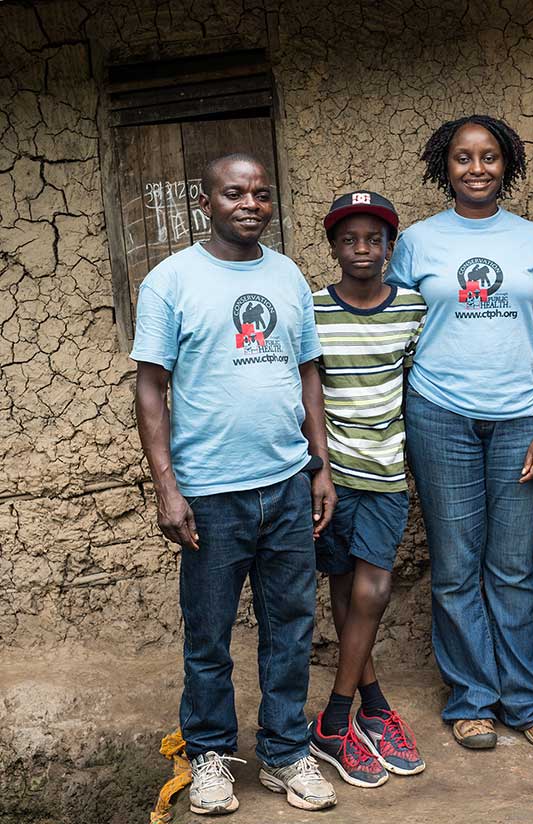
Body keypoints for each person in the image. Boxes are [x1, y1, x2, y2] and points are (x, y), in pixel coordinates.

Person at [131, 153, 337, 814]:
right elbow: (150, 387)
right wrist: (168, 487)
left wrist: (320, 465)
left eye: (260, 193)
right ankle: (211, 754)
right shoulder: (172, 281)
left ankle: (283, 754)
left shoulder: (288, 277)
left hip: (284, 484)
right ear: (205, 200)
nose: (249, 203)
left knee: (291, 627)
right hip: (211, 493)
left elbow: (308, 374)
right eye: (233, 193)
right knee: (209, 634)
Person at [384, 115, 533, 751]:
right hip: (440, 415)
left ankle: (527, 698)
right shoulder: (416, 242)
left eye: (489, 157)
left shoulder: (532, 241)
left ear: (508, 164)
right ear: (446, 166)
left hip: (521, 415)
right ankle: (472, 698)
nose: (476, 168)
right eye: (463, 158)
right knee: (457, 566)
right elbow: (395, 331)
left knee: (514, 567)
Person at [306, 191, 427, 788]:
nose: (362, 249)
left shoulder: (412, 308)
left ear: (389, 248)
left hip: (384, 473)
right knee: (344, 587)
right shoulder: (313, 310)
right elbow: (308, 389)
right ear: (332, 248)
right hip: (330, 475)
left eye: (373, 240)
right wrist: (318, 467)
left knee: (372, 591)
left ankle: (333, 718)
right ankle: (373, 706)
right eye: (349, 239)